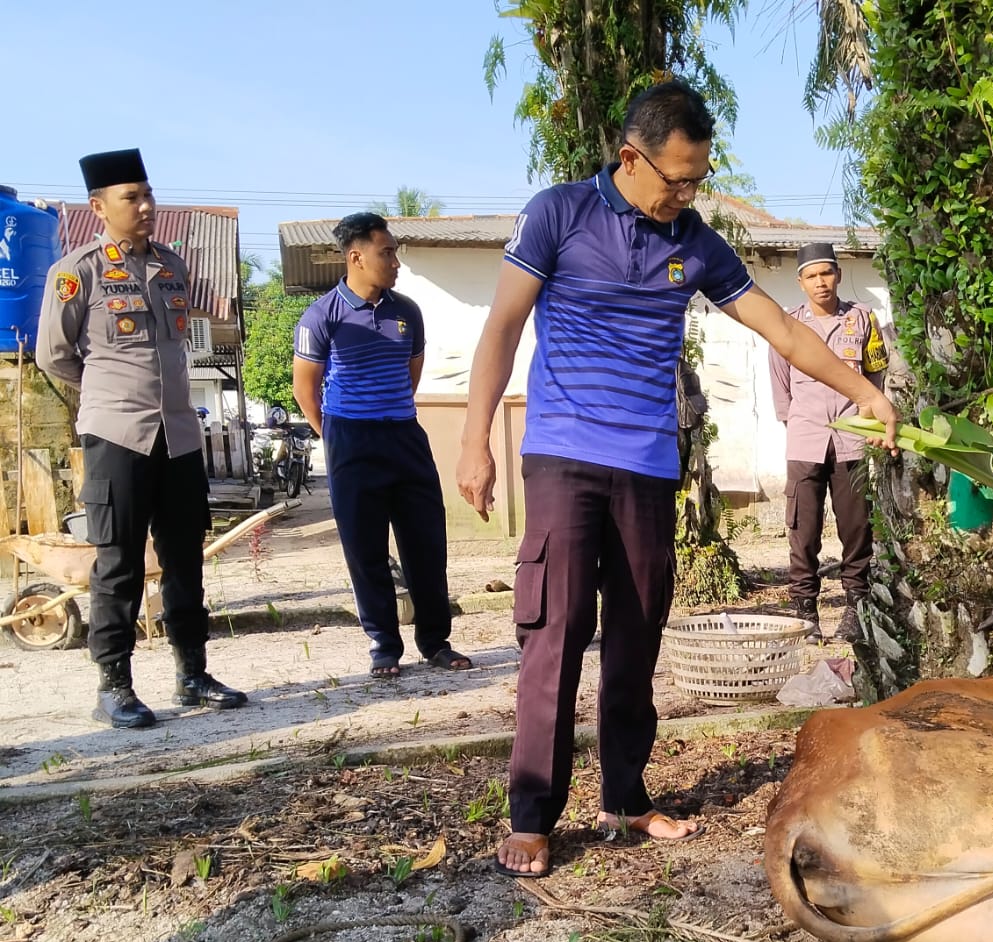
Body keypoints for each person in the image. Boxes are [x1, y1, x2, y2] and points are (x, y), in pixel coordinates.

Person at [456, 79, 899, 879]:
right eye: (678, 178)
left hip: (648, 467)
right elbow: (502, 326)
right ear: (632, 158)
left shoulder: (694, 242)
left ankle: (624, 794)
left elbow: (780, 329)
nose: (688, 193)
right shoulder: (559, 213)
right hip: (561, 454)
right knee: (554, 628)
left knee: (636, 631)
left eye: (698, 178)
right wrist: (474, 438)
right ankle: (532, 813)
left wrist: (864, 388)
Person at [35, 148, 247, 729]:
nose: (146, 206)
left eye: (148, 194)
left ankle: (192, 674)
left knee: (185, 560)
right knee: (119, 563)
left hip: (178, 436)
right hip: (116, 436)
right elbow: (54, 355)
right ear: (99, 206)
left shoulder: (173, 267)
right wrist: (107, 394)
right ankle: (114, 687)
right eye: (132, 197)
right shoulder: (77, 272)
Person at [292, 212, 469, 678]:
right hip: (351, 439)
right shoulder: (321, 316)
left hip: (405, 437)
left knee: (426, 545)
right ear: (356, 256)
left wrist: (390, 415)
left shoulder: (406, 311)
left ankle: (436, 641)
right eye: (386, 252)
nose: (395, 262)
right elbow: (304, 390)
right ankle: (384, 646)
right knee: (366, 549)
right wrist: (333, 436)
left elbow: (410, 375)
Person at [769, 243, 889, 645]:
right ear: (800, 282)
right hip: (805, 441)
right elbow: (781, 390)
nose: (821, 282)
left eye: (827, 273)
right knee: (803, 530)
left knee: (856, 527)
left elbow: (875, 379)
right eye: (812, 276)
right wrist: (797, 423)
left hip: (853, 441)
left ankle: (856, 606)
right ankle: (806, 613)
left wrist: (869, 420)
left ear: (838, 274)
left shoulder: (863, 320)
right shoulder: (788, 326)